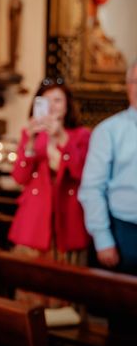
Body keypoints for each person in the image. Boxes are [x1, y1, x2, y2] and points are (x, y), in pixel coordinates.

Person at [8, 78, 91, 305]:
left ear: (67, 105)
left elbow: (80, 172)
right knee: (31, 291)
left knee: (66, 292)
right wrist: (30, 142)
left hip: (67, 220)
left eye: (57, 100)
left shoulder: (82, 135)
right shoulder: (31, 133)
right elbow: (19, 177)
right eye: (46, 100)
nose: (52, 106)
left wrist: (60, 137)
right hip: (35, 222)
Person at [79, 62, 137, 275]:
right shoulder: (108, 131)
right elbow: (92, 188)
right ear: (128, 86)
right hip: (125, 232)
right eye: (136, 82)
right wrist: (102, 237)